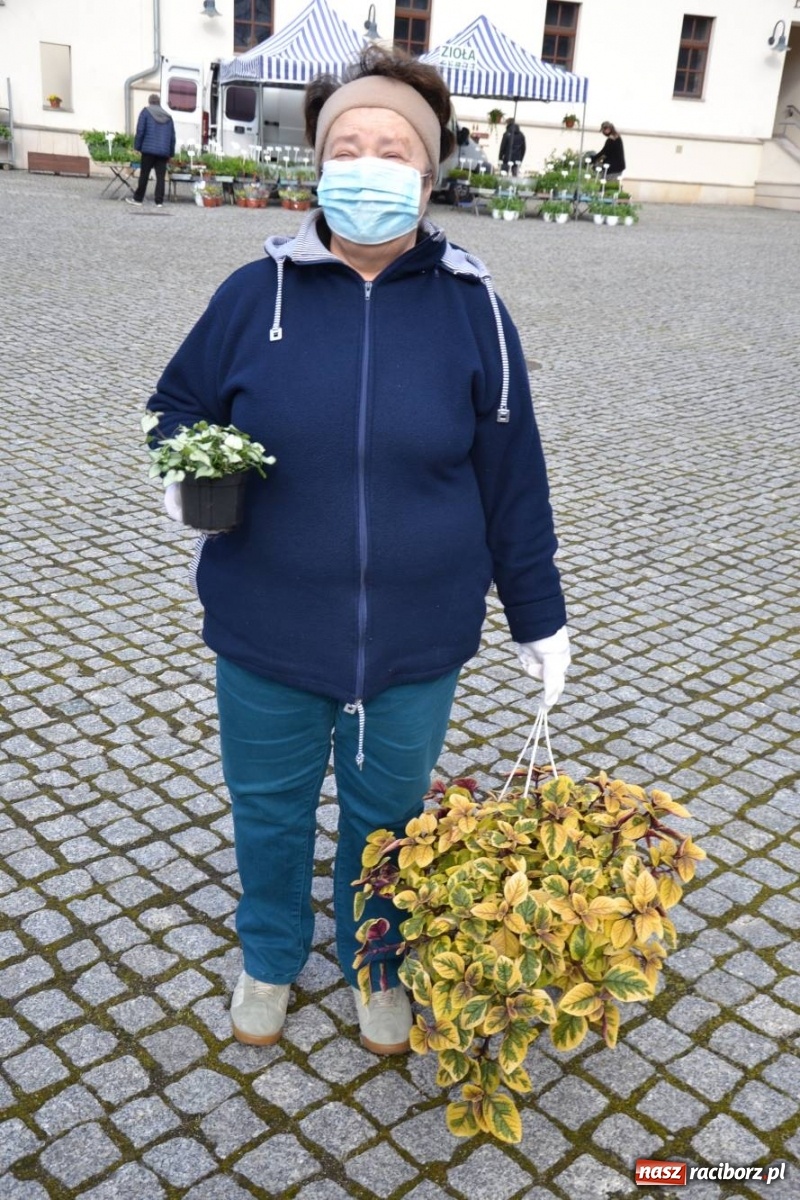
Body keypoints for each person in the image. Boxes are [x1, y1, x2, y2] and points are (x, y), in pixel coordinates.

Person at [145, 45, 570, 1058]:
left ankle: (377, 962)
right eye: (347, 146)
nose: (366, 164)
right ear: (316, 165)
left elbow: (513, 474)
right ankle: (270, 952)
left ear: (425, 177)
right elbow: (177, 405)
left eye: (390, 149)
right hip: (266, 627)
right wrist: (183, 470)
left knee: (390, 825)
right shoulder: (255, 296)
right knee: (271, 809)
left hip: (416, 642)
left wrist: (539, 617)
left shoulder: (474, 309)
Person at [126, 93, 176, 208]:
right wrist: (171, 153)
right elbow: (172, 137)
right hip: (163, 152)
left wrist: (137, 147)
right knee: (160, 177)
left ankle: (138, 199)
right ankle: (159, 201)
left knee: (144, 174)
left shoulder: (145, 112)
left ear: (149, 102)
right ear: (159, 102)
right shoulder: (168, 116)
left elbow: (140, 131)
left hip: (148, 150)